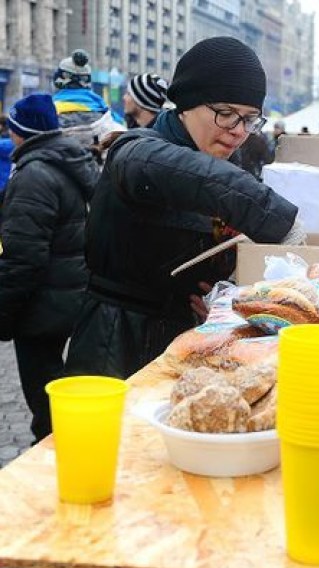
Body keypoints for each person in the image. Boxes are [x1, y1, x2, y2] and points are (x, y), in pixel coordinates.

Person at [65, 36, 302, 379]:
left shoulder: (226, 161)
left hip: (182, 339)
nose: (238, 131)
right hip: (116, 343)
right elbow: (189, 173)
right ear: (187, 104)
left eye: (250, 120)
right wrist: (279, 220)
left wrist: (224, 297)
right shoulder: (137, 151)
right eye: (225, 114)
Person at [0, 93, 99, 441]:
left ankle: (58, 456)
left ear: (21, 132)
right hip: (70, 294)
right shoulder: (68, 161)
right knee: (58, 384)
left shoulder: (34, 174)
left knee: (44, 398)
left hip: (41, 304)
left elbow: (22, 257)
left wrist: (4, 313)